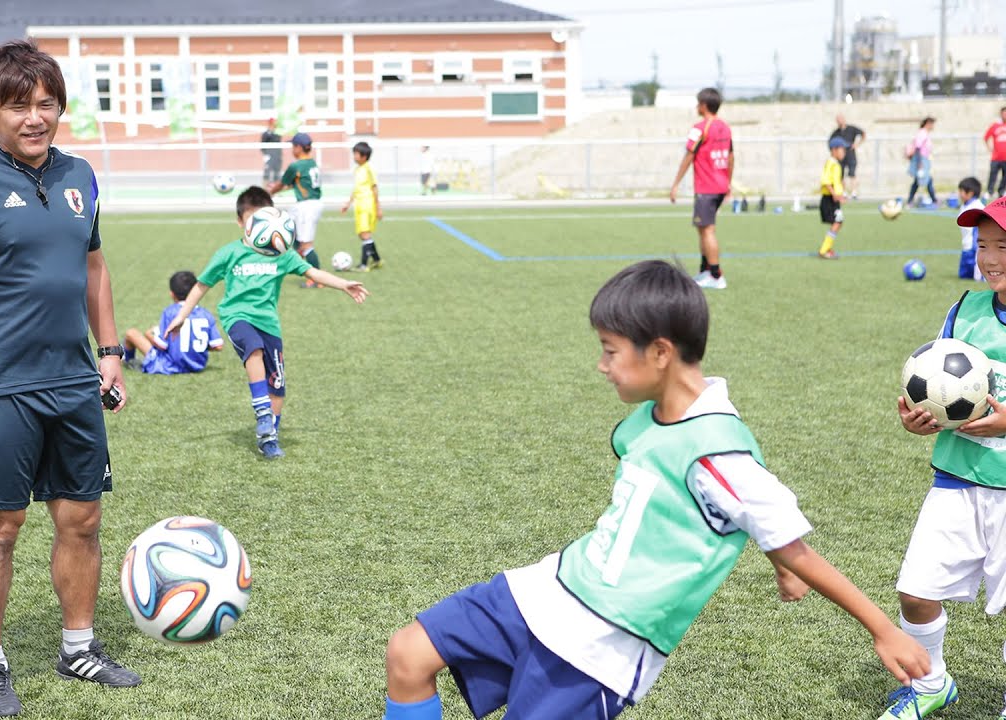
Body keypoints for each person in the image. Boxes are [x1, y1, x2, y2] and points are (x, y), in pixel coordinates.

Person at [382, 260, 931, 720]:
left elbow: (791, 541)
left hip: (603, 644)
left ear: (661, 352)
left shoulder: (718, 453)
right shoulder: (646, 421)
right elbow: (751, 519)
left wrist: (883, 629)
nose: (601, 366)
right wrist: (778, 565)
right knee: (408, 652)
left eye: (610, 350)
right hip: (545, 590)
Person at [0, 39, 139, 717]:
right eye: (19, 105)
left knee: (82, 517)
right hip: (0, 383)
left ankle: (78, 647)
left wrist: (109, 351)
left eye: (47, 103)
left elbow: (94, 266)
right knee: (0, 528)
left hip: (74, 378)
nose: (35, 117)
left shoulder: (81, 175)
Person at [887, 195, 1006, 720]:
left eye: (1002, 245)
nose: (990, 258)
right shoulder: (965, 310)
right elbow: (930, 384)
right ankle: (933, 682)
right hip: (956, 479)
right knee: (915, 591)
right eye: (983, 245)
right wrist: (918, 418)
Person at [166, 186, 369, 459]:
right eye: (253, 221)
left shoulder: (282, 254)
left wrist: (343, 284)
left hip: (269, 322)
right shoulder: (229, 253)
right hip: (236, 316)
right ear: (241, 223)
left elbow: (312, 272)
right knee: (254, 349)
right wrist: (181, 316)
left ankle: (269, 436)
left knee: (278, 385)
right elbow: (202, 285)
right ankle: (262, 413)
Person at [669, 87, 733, 290]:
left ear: (704, 106)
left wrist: (676, 183)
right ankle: (706, 270)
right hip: (719, 185)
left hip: (707, 187)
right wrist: (728, 182)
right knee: (703, 229)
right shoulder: (725, 127)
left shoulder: (700, 127)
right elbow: (731, 157)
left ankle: (715, 275)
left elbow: (689, 156)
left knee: (707, 231)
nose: (697, 107)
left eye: (698, 103)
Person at [122, 270, 223, 375]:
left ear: (172, 294)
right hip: (197, 366)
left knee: (131, 333)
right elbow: (218, 346)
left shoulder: (170, 312)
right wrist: (193, 345)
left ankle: (129, 361)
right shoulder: (206, 314)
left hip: (169, 366)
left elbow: (162, 345)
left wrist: (149, 335)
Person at [267, 132, 323, 288]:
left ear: (299, 147)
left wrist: (271, 191)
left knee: (307, 245)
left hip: (307, 206)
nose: (292, 149)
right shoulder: (312, 163)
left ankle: (317, 279)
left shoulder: (296, 165)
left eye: (293, 146)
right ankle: (299, 251)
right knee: (287, 228)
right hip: (308, 205)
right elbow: (297, 183)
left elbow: (282, 183)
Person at [341, 141, 383, 272]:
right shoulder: (358, 169)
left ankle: (364, 265)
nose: (354, 156)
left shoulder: (369, 169)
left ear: (364, 156)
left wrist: (378, 207)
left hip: (367, 205)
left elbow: (374, 188)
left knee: (365, 234)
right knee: (362, 234)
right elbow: (357, 189)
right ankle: (377, 260)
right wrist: (348, 203)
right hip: (359, 205)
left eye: (356, 154)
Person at [818, 137, 848, 259]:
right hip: (828, 199)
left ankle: (826, 248)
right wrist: (835, 195)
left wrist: (841, 193)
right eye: (842, 149)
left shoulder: (836, 163)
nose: (844, 152)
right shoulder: (831, 163)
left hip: (834, 200)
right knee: (837, 222)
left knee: (838, 222)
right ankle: (824, 250)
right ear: (834, 150)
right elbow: (825, 181)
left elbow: (836, 181)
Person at [829, 114, 866, 200]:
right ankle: (844, 192)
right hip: (840, 158)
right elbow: (830, 144)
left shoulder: (851, 129)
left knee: (852, 173)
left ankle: (854, 192)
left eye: (840, 119)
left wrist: (857, 144)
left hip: (850, 154)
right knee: (841, 174)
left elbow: (863, 134)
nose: (839, 121)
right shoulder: (836, 132)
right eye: (837, 120)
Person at [956, 177, 985, 281]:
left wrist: (977, 248)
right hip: (966, 246)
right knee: (963, 276)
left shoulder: (977, 207)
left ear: (970, 193)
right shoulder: (964, 206)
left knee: (977, 277)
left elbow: (978, 231)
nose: (959, 194)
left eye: (961, 191)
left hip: (974, 248)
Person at [906, 117, 937, 208]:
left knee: (924, 180)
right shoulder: (922, 133)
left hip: (924, 159)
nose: (933, 126)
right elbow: (918, 148)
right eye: (932, 124)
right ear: (927, 123)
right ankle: (910, 201)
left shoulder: (925, 133)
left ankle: (911, 201)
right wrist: (920, 163)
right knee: (922, 181)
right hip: (921, 160)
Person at [984, 107, 1006, 199]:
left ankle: (1001, 191)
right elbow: (986, 137)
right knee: (993, 175)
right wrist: (990, 148)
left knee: (1005, 177)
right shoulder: (995, 126)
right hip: (996, 157)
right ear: (1001, 114)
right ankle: (989, 192)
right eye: (1004, 113)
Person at [260, 118, 282, 184]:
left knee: (277, 172)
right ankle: (265, 188)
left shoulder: (277, 133)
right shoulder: (266, 133)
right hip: (269, 154)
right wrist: (266, 154)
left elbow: (277, 140)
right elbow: (263, 144)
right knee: (267, 172)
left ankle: (276, 188)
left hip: (277, 155)